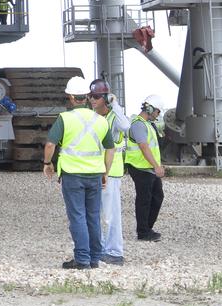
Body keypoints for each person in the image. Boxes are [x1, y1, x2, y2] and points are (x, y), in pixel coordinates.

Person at [43, 76, 115, 269]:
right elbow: (110, 149)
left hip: (72, 175)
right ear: (87, 97)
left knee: (77, 216)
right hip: (95, 174)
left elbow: (50, 144)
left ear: (71, 97)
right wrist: (105, 172)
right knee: (93, 216)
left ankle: (82, 259)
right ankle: (94, 258)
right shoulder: (101, 120)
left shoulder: (64, 118)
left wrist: (47, 163)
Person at [88, 81, 130, 265]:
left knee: (109, 215)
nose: (92, 100)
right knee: (99, 213)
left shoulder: (114, 117)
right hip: (97, 170)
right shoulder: (93, 117)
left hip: (111, 173)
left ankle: (114, 252)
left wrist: (115, 104)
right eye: (91, 96)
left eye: (97, 96)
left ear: (105, 98)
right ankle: (103, 249)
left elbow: (125, 126)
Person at [126, 95, 167, 242]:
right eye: (157, 112)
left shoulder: (148, 124)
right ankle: (143, 232)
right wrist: (156, 166)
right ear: (150, 109)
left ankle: (147, 229)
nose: (158, 115)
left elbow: (152, 147)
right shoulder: (138, 124)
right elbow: (143, 146)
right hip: (141, 168)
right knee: (144, 199)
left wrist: (156, 165)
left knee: (157, 197)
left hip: (149, 167)